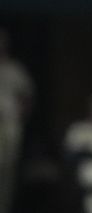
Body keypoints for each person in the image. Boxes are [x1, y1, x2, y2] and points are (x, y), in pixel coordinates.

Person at [0, 29, 35, 213]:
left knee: (6, 170)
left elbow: (27, 96)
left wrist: (19, 116)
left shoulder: (14, 69)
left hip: (9, 125)